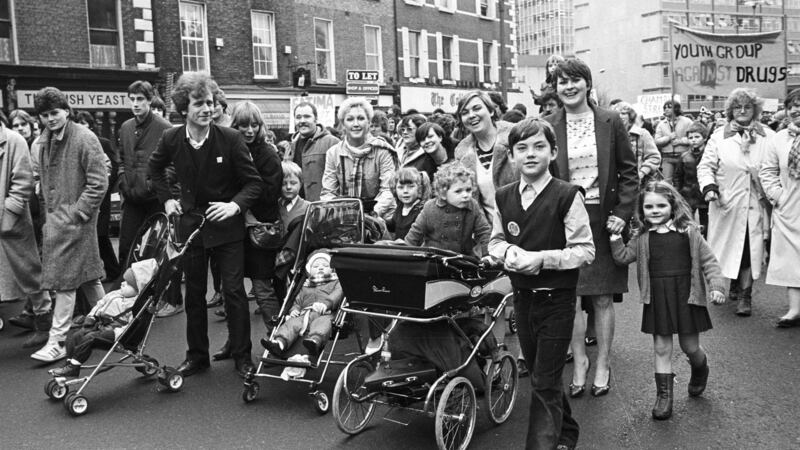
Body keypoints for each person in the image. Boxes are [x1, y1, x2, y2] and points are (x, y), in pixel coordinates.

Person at [488, 118, 594, 450]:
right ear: (512, 156)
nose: (530, 154)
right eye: (522, 148)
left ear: (553, 152)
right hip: (523, 299)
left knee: (545, 381)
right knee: (539, 374)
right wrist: (508, 251)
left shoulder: (566, 195)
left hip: (557, 300)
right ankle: (567, 431)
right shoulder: (504, 197)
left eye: (539, 147)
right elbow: (494, 242)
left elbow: (585, 250)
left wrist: (542, 259)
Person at [149, 72, 264, 378]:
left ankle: (242, 356)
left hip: (227, 229)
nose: (206, 109)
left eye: (210, 103)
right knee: (195, 295)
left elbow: (253, 184)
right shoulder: (171, 138)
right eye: (198, 103)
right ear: (184, 108)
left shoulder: (231, 139)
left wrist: (234, 206)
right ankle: (197, 356)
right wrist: (167, 201)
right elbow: (154, 169)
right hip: (192, 228)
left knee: (234, 293)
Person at [543, 59, 639, 399]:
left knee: (600, 297)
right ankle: (580, 361)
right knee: (571, 296)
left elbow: (629, 171)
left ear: (587, 84)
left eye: (575, 80)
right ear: (554, 88)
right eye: (561, 81)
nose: (568, 87)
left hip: (604, 218)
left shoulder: (610, 121)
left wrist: (623, 213)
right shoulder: (549, 124)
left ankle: (603, 364)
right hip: (565, 219)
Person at [609, 181, 726, 420]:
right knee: (661, 347)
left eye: (661, 205)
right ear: (642, 210)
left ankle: (700, 368)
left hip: (687, 295)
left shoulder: (689, 232)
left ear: (673, 206)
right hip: (658, 297)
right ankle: (664, 397)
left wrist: (717, 287)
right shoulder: (642, 237)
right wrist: (614, 239)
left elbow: (709, 261)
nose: (655, 210)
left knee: (689, 346)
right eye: (649, 206)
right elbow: (622, 258)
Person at [33, 87, 108, 362]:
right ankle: (113, 324)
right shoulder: (44, 141)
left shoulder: (85, 138)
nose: (50, 119)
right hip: (59, 223)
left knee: (65, 282)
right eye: (44, 114)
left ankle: (58, 341)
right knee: (88, 277)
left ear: (66, 110)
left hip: (75, 222)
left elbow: (99, 182)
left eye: (55, 112)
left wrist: (78, 213)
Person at [697, 87, 773, 316]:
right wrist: (710, 188)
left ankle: (745, 294)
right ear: (730, 110)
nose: (742, 111)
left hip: (755, 202)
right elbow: (705, 166)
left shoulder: (767, 135)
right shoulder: (719, 136)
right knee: (732, 247)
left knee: (750, 247)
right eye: (737, 107)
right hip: (727, 202)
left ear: (755, 110)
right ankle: (733, 282)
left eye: (747, 106)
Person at [116, 80, 183, 317]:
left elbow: (176, 166)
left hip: (157, 198)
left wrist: (152, 184)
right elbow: (122, 158)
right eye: (132, 99)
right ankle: (131, 297)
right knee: (127, 246)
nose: (136, 104)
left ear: (149, 99)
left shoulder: (165, 128)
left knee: (164, 249)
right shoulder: (125, 127)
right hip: (133, 197)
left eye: (140, 99)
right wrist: (123, 178)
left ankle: (173, 299)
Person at [48, 259, 158, 377]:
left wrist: (115, 333)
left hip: (117, 334)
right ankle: (69, 364)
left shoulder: (135, 305)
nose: (122, 284)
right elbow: (100, 304)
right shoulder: (116, 294)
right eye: (123, 281)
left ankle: (74, 366)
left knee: (90, 338)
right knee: (76, 336)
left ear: (138, 290)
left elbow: (132, 325)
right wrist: (91, 317)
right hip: (100, 324)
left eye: (127, 284)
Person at [229, 101, 283, 337]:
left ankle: (278, 338)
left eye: (254, 125)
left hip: (261, 230)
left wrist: (242, 199)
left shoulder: (268, 154)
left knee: (262, 289)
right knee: (232, 291)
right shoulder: (229, 149)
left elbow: (271, 194)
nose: (249, 130)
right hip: (233, 229)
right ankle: (235, 341)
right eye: (243, 125)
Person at [0, 112, 53, 349]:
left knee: (29, 271)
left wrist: (8, 215)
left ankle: (44, 321)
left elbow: (23, 182)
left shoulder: (14, 141)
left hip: (12, 222)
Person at [759, 88, 800, 328]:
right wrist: (778, 196)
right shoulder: (779, 138)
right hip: (789, 205)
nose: (795, 109)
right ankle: (795, 309)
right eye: (791, 105)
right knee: (791, 257)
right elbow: (768, 171)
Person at [320, 97, 397, 221]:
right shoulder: (333, 153)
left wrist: (371, 214)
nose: (356, 124)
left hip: (379, 217)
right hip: (345, 217)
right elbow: (328, 192)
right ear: (343, 124)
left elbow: (388, 190)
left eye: (361, 118)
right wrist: (338, 213)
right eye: (350, 119)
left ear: (369, 122)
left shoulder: (382, 150)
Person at [261, 249, 343, 359]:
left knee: (322, 324)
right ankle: (278, 343)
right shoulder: (306, 285)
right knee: (291, 324)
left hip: (326, 313)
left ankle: (314, 341)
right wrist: (294, 309)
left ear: (332, 269)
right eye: (316, 266)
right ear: (309, 270)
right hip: (304, 314)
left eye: (325, 265)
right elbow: (298, 301)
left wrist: (326, 304)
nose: (320, 268)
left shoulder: (336, 282)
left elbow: (337, 294)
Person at [453, 90, 518, 220]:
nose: (471, 115)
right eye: (465, 113)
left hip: (527, 223)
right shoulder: (462, 153)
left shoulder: (516, 137)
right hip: (490, 232)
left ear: (491, 111)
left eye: (477, 108)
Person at [404, 161, 491, 255]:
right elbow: (414, 235)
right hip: (435, 259)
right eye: (458, 191)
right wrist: (406, 256)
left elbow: (484, 232)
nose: (466, 195)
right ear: (443, 193)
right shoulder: (430, 208)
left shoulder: (472, 206)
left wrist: (487, 255)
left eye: (468, 190)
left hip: (463, 259)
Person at [75, 110, 121, 282]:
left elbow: (114, 167)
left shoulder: (103, 143)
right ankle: (109, 270)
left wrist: (105, 185)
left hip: (101, 196)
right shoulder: (75, 145)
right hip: (84, 196)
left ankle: (113, 270)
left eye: (85, 123)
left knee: (100, 235)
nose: (82, 126)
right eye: (79, 123)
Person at [284, 101, 340, 202]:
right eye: (298, 117)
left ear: (316, 119)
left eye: (307, 116)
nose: (302, 121)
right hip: (297, 208)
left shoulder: (332, 142)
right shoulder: (292, 145)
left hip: (322, 207)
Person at [612, 101, 661, 187]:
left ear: (630, 116)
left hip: (641, 183)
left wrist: (642, 173)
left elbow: (654, 157)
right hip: (619, 184)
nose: (620, 116)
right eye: (617, 114)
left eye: (623, 113)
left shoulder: (642, 134)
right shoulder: (611, 136)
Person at [674, 121, 710, 236]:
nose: (693, 140)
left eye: (697, 137)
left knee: (707, 224)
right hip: (688, 194)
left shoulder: (709, 155)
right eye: (690, 137)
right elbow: (678, 176)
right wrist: (678, 192)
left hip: (705, 195)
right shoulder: (684, 156)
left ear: (704, 138)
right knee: (687, 223)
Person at [654, 100, 693, 184]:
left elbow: (693, 138)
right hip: (667, 157)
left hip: (683, 156)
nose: (666, 109)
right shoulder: (661, 124)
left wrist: (680, 141)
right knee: (666, 182)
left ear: (676, 108)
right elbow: (656, 141)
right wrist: (668, 138)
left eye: (669, 107)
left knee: (684, 181)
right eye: (665, 108)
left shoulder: (687, 122)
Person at [386, 167, 430, 240]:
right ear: (395, 189)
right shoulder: (400, 206)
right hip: (399, 249)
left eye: (411, 187)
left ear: (419, 189)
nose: (405, 191)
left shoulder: (421, 211)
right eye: (401, 187)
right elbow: (394, 225)